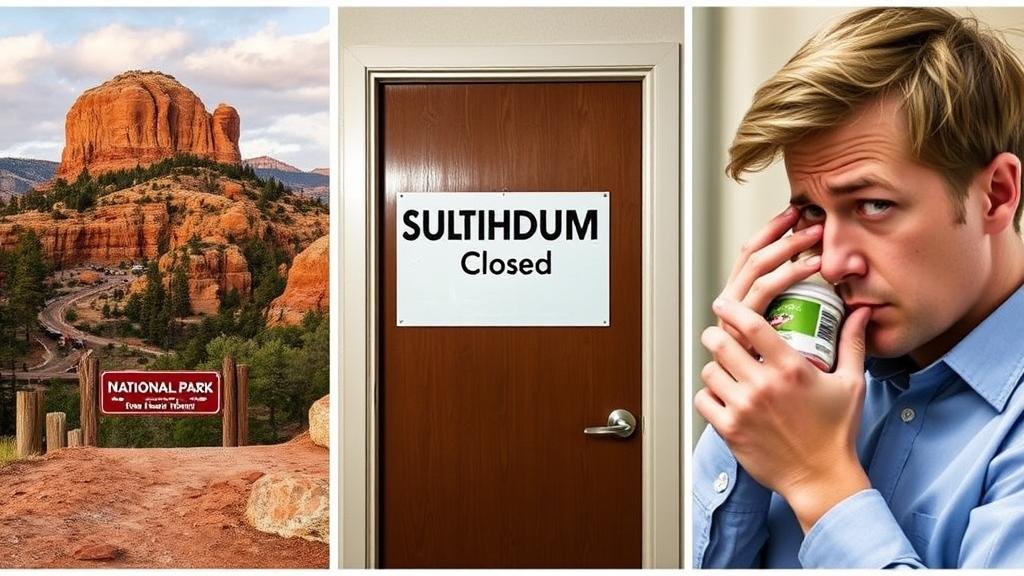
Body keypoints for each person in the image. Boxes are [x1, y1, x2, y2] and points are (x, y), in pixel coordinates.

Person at [693, 7, 1024, 568]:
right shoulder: (801, 379)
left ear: (995, 194)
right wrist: (744, 407)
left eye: (873, 205)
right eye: (812, 212)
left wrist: (819, 481)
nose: (833, 262)